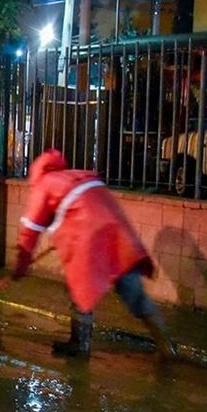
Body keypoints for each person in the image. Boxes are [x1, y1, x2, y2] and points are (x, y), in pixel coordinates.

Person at [14, 149, 176, 358]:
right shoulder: (78, 176)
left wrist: (21, 265)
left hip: (90, 240)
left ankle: (80, 345)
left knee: (80, 290)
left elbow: (31, 229)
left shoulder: (45, 184)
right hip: (118, 235)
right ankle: (167, 347)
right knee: (133, 292)